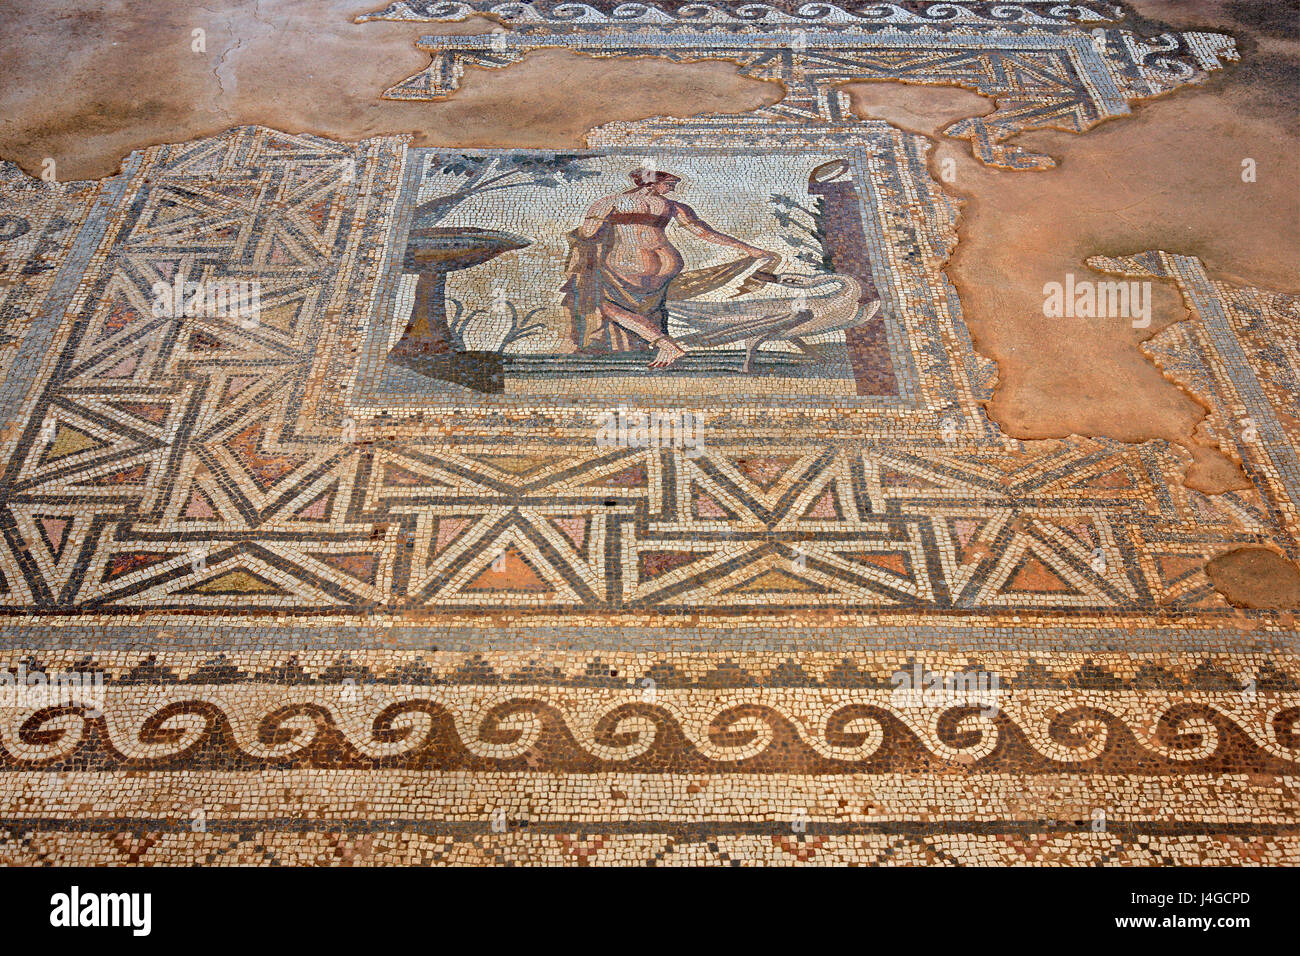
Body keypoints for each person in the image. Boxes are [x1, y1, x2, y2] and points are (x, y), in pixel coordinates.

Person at [561, 169, 779, 369]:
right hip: (669, 263)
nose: (674, 188)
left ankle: (666, 345)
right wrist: (748, 249)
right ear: (650, 183)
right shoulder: (674, 207)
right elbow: (705, 232)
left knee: (604, 305)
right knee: (651, 309)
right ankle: (654, 346)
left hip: (630, 263)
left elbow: (588, 234)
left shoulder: (609, 203)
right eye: (670, 183)